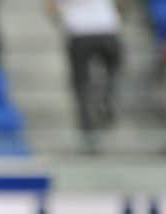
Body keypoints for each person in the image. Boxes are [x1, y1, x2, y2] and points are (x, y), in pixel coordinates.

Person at [46, 0, 123, 140]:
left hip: (79, 31)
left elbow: (51, 8)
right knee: (113, 71)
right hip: (107, 28)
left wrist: (60, 20)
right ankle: (106, 98)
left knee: (80, 82)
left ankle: (87, 127)